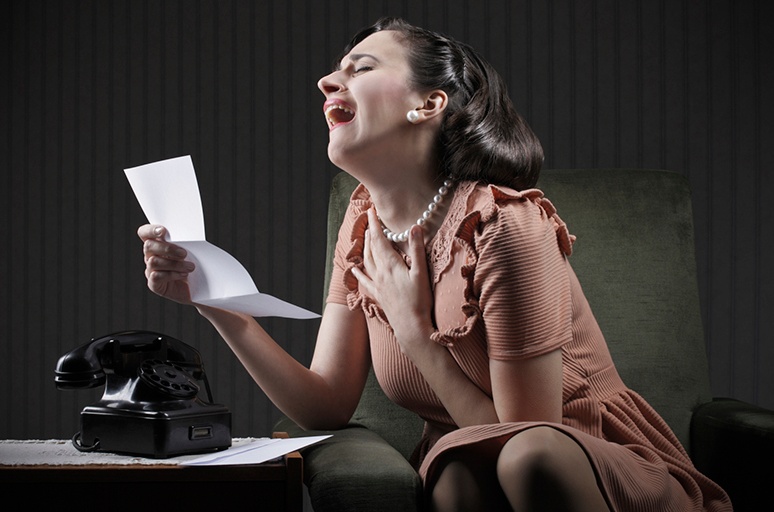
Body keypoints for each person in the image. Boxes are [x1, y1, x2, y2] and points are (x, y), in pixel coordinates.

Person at [139, 17, 732, 512]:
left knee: (518, 458)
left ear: (429, 103)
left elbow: (530, 436)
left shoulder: (506, 225)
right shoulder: (362, 222)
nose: (326, 81)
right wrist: (217, 303)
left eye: (360, 68)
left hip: (590, 463)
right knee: (454, 475)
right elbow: (325, 405)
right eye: (337, 69)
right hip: (470, 457)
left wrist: (417, 334)